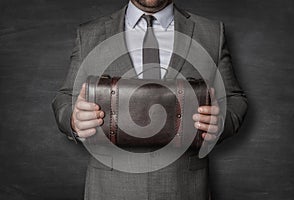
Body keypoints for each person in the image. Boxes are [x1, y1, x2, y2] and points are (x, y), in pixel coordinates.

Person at [52, 0, 248, 199]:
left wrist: (220, 123)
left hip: (184, 189)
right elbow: (65, 98)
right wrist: (73, 120)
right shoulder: (89, 34)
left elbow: (235, 99)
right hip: (110, 190)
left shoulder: (212, 33)